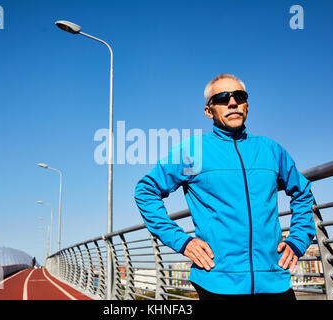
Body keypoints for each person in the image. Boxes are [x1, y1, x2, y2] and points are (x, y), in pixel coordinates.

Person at [134, 74, 316, 300]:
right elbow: (146, 190)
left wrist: (298, 239)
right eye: (222, 98)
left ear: (246, 104)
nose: (232, 103)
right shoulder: (194, 152)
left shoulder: (270, 149)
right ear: (209, 111)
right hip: (216, 283)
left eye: (239, 96)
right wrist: (182, 241)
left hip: (275, 280)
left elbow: (303, 192)